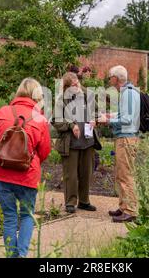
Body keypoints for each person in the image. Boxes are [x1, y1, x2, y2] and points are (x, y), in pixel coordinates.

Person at [0, 78, 51, 258]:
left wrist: (6, 157)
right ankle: (21, 256)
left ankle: (11, 256)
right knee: (27, 215)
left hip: (2, 173)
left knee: (9, 217)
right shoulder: (39, 118)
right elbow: (44, 151)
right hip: (27, 176)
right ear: (37, 95)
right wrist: (31, 161)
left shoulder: (3, 111)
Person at [52, 72, 102, 214]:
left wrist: (95, 119)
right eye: (73, 85)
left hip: (88, 141)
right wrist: (71, 125)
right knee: (71, 175)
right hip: (71, 143)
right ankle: (70, 202)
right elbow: (56, 120)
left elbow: (97, 112)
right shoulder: (62, 100)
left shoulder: (88, 96)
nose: (76, 87)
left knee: (86, 172)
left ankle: (84, 201)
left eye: (77, 84)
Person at [99, 65, 140, 223]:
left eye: (110, 77)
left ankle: (130, 210)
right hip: (126, 137)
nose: (109, 80)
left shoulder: (127, 94)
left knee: (125, 175)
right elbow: (125, 114)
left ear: (116, 78)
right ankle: (124, 206)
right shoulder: (129, 92)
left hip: (126, 138)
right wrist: (112, 115)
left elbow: (127, 119)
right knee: (120, 174)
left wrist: (108, 120)